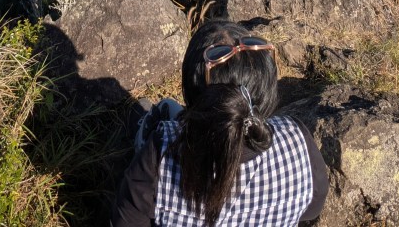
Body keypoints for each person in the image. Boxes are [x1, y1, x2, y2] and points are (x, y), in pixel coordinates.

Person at [112, 20, 328, 226]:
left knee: (163, 113)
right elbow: (313, 207)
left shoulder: (160, 151)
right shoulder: (298, 140)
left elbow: (127, 221)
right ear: (266, 89)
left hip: (156, 161)